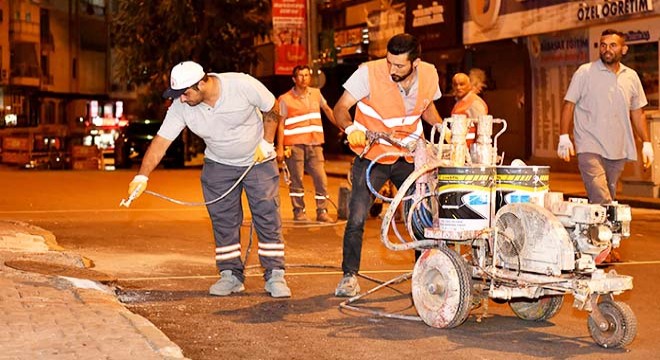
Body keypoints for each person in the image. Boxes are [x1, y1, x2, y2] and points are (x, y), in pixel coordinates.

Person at [125, 61, 291, 298]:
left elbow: (274, 106)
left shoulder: (241, 84)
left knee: (266, 215)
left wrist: (267, 141)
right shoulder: (181, 106)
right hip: (219, 165)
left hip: (258, 161)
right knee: (223, 220)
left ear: (202, 83)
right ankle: (230, 275)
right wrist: (142, 176)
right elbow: (161, 142)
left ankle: (275, 274)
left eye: (184, 93)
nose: (181, 99)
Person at [331, 33, 443, 297]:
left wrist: (441, 130)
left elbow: (426, 109)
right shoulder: (367, 73)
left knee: (420, 217)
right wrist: (349, 129)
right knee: (357, 217)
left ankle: (423, 274)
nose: (392, 69)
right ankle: (349, 276)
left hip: (409, 156)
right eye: (389, 62)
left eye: (399, 66)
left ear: (415, 62)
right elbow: (340, 108)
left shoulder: (430, 74)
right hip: (373, 156)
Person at [558, 29, 654, 205]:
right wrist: (564, 136)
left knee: (607, 193)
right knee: (601, 195)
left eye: (612, 45)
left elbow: (637, 112)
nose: (606, 49)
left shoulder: (631, 76)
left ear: (624, 50)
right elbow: (568, 104)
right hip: (589, 145)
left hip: (618, 147)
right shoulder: (585, 72)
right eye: (603, 45)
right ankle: (611, 228)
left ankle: (598, 230)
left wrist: (646, 143)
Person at [277, 65, 337, 222]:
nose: (304, 78)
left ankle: (322, 211)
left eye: (306, 75)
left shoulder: (316, 94)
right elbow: (281, 123)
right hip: (294, 145)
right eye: (300, 75)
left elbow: (327, 109)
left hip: (315, 144)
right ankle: (299, 211)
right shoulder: (285, 99)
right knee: (296, 180)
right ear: (294, 79)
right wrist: (280, 147)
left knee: (321, 178)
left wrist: (341, 125)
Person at [450, 71, 488, 148]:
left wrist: (477, 152)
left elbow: (482, 130)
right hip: (460, 149)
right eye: (455, 84)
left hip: (470, 151)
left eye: (462, 84)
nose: (458, 87)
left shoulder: (474, 103)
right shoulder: (460, 102)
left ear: (469, 85)